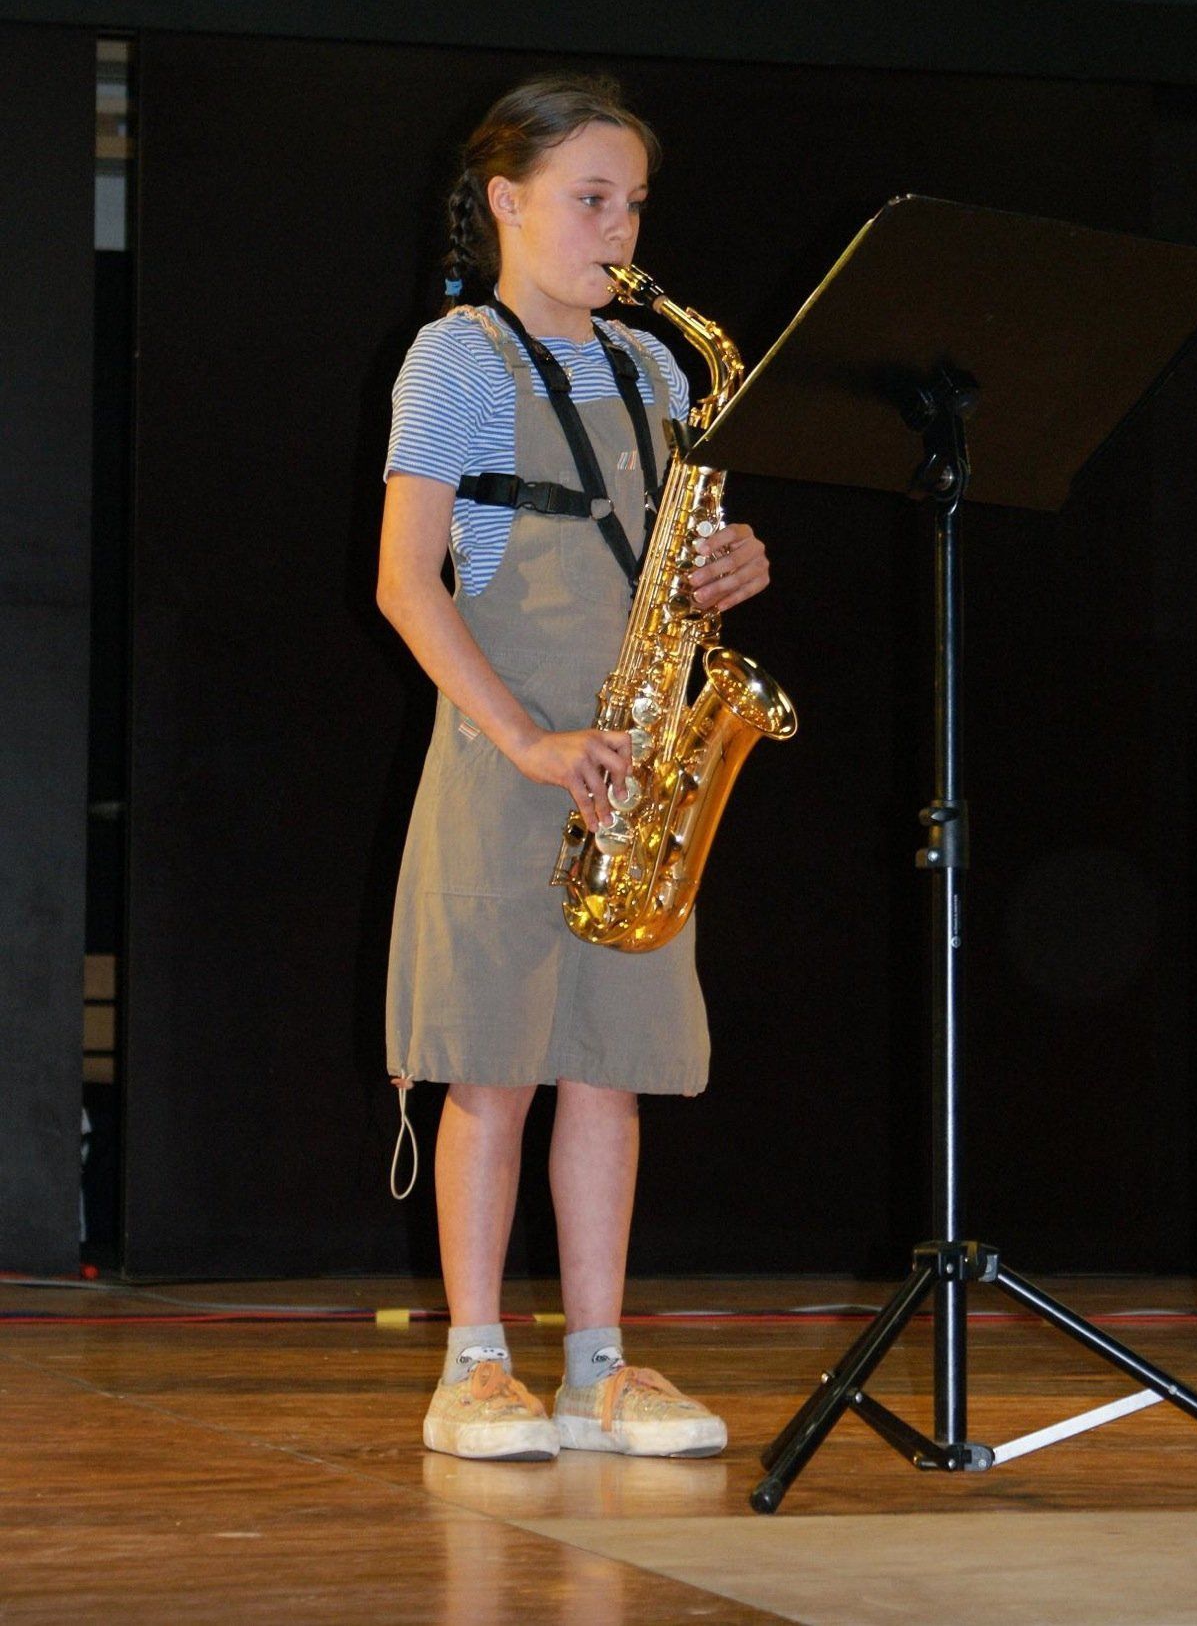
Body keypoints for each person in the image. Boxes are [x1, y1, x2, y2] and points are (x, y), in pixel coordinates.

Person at [376, 73, 770, 1463]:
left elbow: (664, 564)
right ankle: (474, 1366)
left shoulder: (659, 372)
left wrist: (732, 566)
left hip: (636, 764)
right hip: (509, 754)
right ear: (506, 200)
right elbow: (405, 583)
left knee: (609, 1067)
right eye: (590, 199)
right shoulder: (456, 361)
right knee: (493, 1069)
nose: (620, 230)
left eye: (634, 204)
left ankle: (600, 1366)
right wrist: (528, 739)